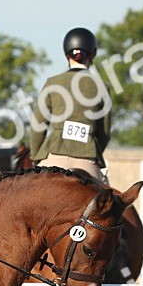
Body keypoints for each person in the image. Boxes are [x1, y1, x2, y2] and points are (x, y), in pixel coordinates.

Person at [28, 27, 111, 184]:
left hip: (54, 155)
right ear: (92, 54)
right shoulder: (101, 87)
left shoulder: (52, 83)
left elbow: (38, 126)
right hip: (86, 158)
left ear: (67, 55)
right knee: (109, 204)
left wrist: (36, 157)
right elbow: (104, 133)